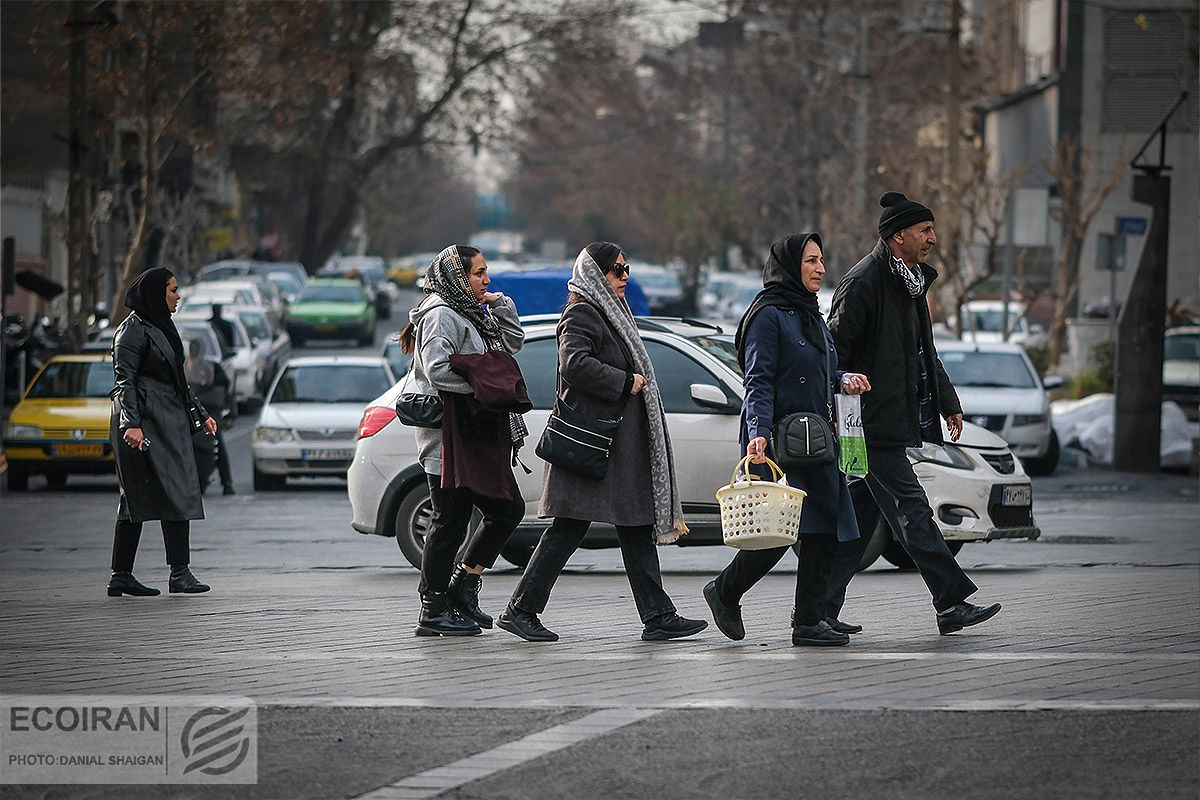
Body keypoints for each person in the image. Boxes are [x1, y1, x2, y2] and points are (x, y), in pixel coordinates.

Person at [497, 243, 708, 643]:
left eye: (627, 269)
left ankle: (658, 615)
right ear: (595, 275)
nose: (624, 276)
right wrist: (625, 381)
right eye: (616, 270)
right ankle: (520, 610)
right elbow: (573, 364)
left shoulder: (613, 313)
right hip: (591, 443)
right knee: (569, 528)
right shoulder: (582, 313)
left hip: (614, 445)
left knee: (635, 525)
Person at [826, 191, 1001, 635]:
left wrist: (948, 401)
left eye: (931, 229)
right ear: (897, 235)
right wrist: (845, 380)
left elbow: (925, 353)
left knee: (863, 522)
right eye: (925, 230)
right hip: (868, 422)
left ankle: (814, 610)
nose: (933, 238)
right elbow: (833, 351)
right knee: (913, 508)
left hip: (893, 417)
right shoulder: (865, 281)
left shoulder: (913, 281)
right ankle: (951, 602)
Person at [701, 234, 871, 646]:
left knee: (824, 529)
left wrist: (843, 379)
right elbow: (757, 379)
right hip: (780, 440)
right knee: (778, 532)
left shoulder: (811, 313)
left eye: (822, 259)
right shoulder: (768, 315)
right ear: (789, 265)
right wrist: (757, 434)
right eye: (811, 260)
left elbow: (824, 369)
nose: (820, 268)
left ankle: (810, 621)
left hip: (818, 439)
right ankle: (725, 591)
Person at [398, 245, 527, 636]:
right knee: (449, 521)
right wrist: (484, 389)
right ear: (457, 276)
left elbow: (513, 345)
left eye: (487, 272)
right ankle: (433, 606)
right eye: (478, 273)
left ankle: (463, 585)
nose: (486, 280)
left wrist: (500, 305)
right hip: (448, 440)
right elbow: (438, 371)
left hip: (474, 434)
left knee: (507, 509)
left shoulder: (471, 310)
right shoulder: (440, 314)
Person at [107, 267, 216, 597]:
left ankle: (168, 573)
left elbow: (176, 380)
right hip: (144, 421)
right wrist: (132, 423)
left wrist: (201, 414)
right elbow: (123, 381)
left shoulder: (161, 327)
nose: (178, 295)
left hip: (167, 420)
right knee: (139, 497)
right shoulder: (131, 331)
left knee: (175, 491)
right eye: (173, 289)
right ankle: (131, 575)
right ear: (156, 293)